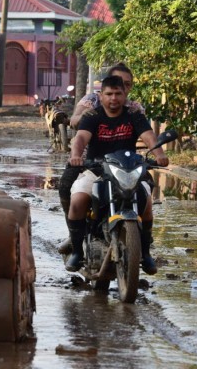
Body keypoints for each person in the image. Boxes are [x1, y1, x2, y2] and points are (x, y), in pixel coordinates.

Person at [64, 75, 169, 275]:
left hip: (128, 169)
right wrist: (76, 156)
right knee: (77, 201)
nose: (114, 98)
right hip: (97, 169)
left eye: (118, 94)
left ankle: (145, 253)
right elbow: (80, 138)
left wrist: (160, 154)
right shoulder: (92, 116)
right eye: (109, 94)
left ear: (125, 94)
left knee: (146, 204)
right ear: (101, 96)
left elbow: (148, 136)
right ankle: (77, 252)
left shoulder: (134, 114)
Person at [57, 63, 144, 252]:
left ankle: (143, 244)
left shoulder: (134, 108)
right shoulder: (91, 102)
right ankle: (75, 235)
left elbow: (145, 132)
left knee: (145, 191)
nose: (121, 90)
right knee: (67, 189)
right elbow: (73, 121)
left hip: (124, 163)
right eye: (118, 83)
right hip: (88, 161)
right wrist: (85, 118)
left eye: (127, 85)